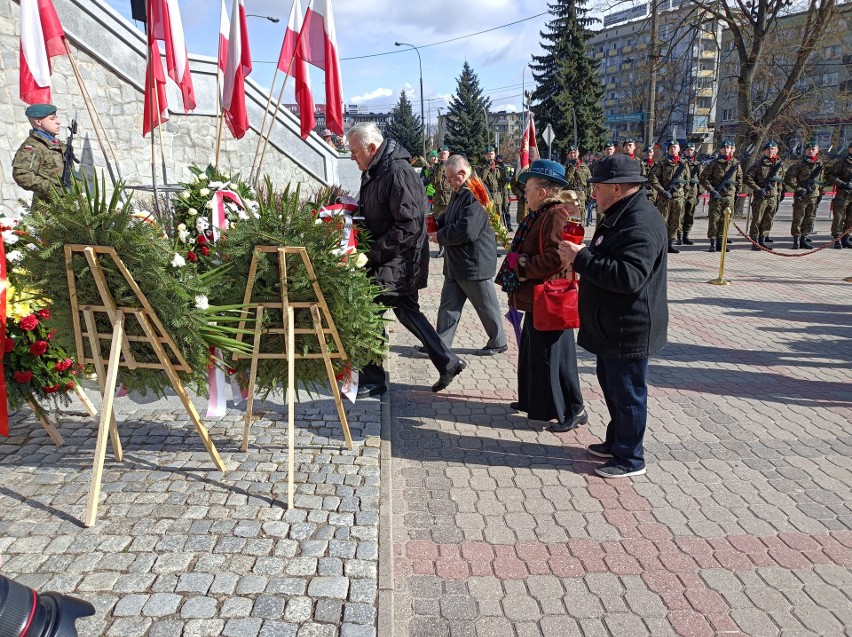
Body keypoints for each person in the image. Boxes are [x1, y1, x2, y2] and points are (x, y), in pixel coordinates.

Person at [561, 154, 668, 478]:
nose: (594, 193)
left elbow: (629, 277)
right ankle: (617, 441)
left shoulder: (639, 222)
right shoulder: (620, 213)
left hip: (630, 326)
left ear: (618, 188)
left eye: (598, 187)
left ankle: (631, 458)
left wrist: (582, 259)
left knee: (628, 394)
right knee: (613, 387)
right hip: (613, 325)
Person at [348, 122, 466, 396]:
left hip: (398, 260)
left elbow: (409, 225)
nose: (353, 157)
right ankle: (447, 362)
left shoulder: (397, 172)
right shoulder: (376, 169)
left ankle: (374, 379)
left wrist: (372, 254)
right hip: (391, 258)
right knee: (406, 311)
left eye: (355, 152)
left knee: (368, 312)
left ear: (372, 148)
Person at [495, 159, 586, 432]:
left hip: (551, 297)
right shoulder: (539, 213)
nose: (525, 194)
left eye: (529, 188)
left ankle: (572, 409)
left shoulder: (556, 214)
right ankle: (534, 402)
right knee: (535, 354)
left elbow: (557, 259)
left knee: (554, 358)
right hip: (538, 298)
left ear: (543, 191)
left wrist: (520, 263)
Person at [429, 155, 507, 356]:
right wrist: (435, 223)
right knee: (448, 307)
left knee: (486, 306)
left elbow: (467, 229)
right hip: (457, 263)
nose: (447, 182)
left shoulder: (476, 193)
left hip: (474, 263)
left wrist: (440, 235)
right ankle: (441, 345)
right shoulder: (461, 190)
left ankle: (498, 342)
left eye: (449, 178)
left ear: (462, 173)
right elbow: (450, 215)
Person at [12, 103, 66, 208]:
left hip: (67, 208)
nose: (58, 122)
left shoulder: (59, 145)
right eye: (52, 119)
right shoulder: (33, 146)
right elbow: (22, 175)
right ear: (38, 122)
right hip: (46, 211)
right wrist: (54, 190)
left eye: (56, 118)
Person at [648, 139, 690, 254]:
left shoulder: (683, 164)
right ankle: (661, 244)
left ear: (679, 149)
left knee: (675, 221)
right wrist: (662, 191)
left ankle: (670, 244)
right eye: (671, 147)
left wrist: (685, 196)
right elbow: (652, 178)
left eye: (675, 147)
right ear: (668, 149)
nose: (673, 148)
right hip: (665, 197)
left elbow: (687, 181)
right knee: (662, 221)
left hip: (679, 198)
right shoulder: (662, 163)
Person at [699, 139, 741, 252]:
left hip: (729, 196)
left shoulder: (735, 163)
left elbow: (739, 179)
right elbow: (703, 178)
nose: (726, 150)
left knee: (725, 220)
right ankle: (712, 243)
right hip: (716, 196)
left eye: (728, 148)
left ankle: (721, 243)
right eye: (724, 147)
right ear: (721, 149)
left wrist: (737, 193)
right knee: (714, 219)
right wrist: (712, 191)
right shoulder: (713, 163)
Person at [744, 141, 785, 251]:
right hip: (761, 197)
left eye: (773, 149)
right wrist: (758, 189)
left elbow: (780, 181)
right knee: (757, 220)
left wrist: (780, 194)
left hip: (773, 197)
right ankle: (755, 242)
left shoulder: (779, 165)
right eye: (768, 149)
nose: (771, 151)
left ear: (777, 150)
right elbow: (747, 177)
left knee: (768, 219)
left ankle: (763, 240)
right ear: (764, 151)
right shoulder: (758, 164)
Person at [784, 141, 824, 249]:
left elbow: (820, 181)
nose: (811, 151)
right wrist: (798, 188)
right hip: (801, 196)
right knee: (798, 218)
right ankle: (796, 239)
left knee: (810, 218)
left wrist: (820, 193)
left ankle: (804, 238)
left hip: (814, 196)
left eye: (813, 149)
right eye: (809, 149)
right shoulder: (799, 164)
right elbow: (789, 178)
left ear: (817, 150)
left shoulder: (820, 165)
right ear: (805, 151)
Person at [825, 141, 852, 248]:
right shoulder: (842, 162)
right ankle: (837, 238)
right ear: (849, 149)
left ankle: (846, 237)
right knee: (839, 218)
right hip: (842, 195)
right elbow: (830, 176)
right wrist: (843, 184)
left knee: (850, 218)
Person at [430, 145, 453, 258]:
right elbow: (434, 182)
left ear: (449, 154)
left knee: (452, 224)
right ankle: (441, 249)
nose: (443, 155)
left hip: (451, 199)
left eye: (445, 153)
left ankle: (451, 248)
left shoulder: (454, 165)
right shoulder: (434, 168)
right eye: (441, 154)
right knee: (439, 225)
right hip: (439, 201)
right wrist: (440, 167)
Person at [679, 142, 700, 245]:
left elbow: (701, 179)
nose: (689, 152)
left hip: (693, 193)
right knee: (679, 215)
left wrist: (699, 194)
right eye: (687, 150)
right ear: (684, 151)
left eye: (691, 150)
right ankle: (678, 235)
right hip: (682, 192)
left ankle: (686, 235)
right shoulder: (681, 163)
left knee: (690, 215)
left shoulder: (698, 164)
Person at [563, 145, 591, 217]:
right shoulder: (565, 167)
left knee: (580, 220)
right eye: (571, 153)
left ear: (578, 153)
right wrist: (573, 167)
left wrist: (589, 197)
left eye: (574, 152)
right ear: (568, 155)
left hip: (581, 196)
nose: (573, 155)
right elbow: (566, 180)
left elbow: (589, 183)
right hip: (569, 196)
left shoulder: (584, 167)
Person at [495, 153, 513, 231]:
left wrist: (507, 175)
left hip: (506, 192)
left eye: (500, 160)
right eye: (498, 160)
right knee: (499, 211)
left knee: (506, 210)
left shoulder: (507, 168)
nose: (499, 162)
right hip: (498, 192)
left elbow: (510, 179)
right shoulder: (495, 168)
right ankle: (501, 227)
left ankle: (508, 226)